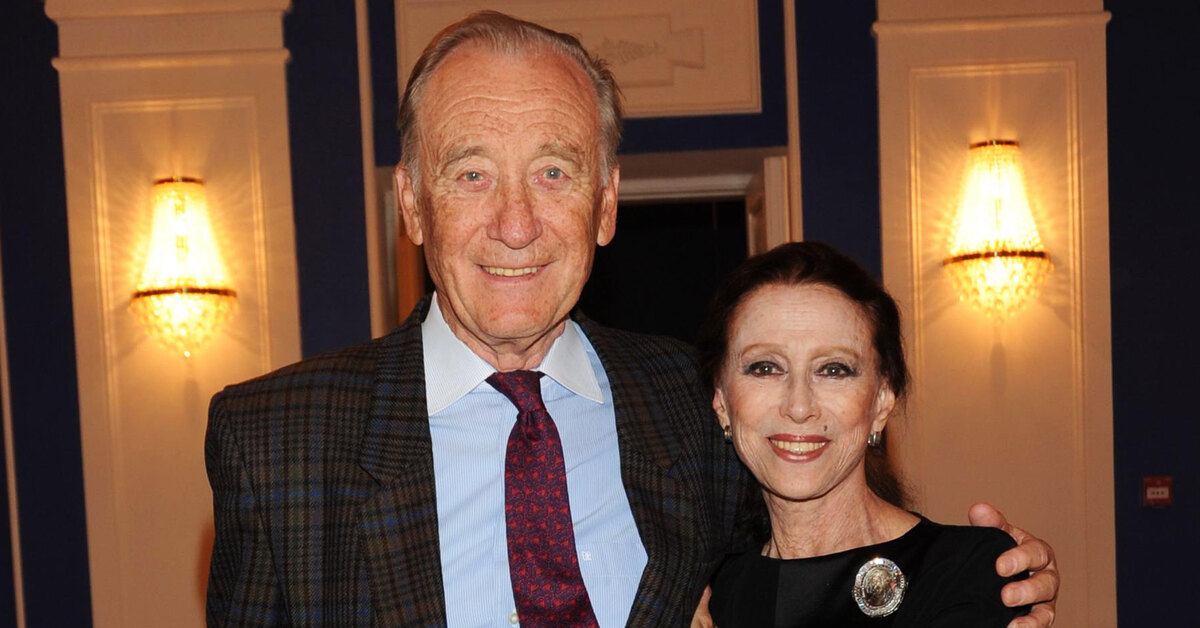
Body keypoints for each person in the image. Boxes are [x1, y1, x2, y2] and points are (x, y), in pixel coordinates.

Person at [205, 11, 1059, 627]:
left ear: (607, 203)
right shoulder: (276, 441)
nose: (515, 223)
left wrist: (975, 576)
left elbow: (820, 545)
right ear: (412, 203)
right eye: (471, 174)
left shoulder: (695, 402)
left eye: (553, 172)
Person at [697, 241, 1032, 626]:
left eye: (833, 370)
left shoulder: (969, 571)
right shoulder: (703, 592)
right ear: (721, 402)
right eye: (765, 368)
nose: (799, 406)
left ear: (882, 402)